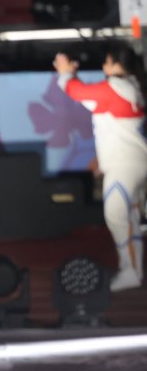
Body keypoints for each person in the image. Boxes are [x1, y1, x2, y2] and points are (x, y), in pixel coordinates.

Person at [55, 47, 147, 291]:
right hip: (133, 163)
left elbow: (77, 92)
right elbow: (113, 124)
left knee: (117, 217)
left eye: (107, 62)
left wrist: (65, 73)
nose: (104, 67)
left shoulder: (116, 87)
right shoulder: (130, 86)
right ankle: (133, 270)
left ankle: (131, 271)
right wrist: (101, 157)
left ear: (118, 65)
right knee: (129, 218)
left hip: (124, 167)